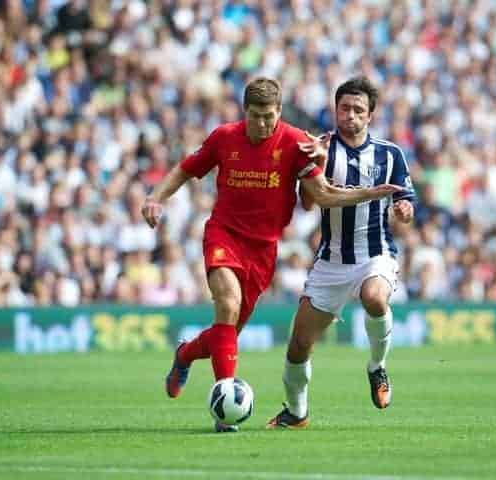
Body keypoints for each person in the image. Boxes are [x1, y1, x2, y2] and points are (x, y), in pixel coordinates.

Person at [141, 77, 406, 432]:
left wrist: (371, 193)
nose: (263, 123)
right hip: (224, 234)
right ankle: (225, 410)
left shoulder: (296, 142)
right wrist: (156, 196)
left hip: (263, 249)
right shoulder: (224, 137)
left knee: (228, 331)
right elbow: (187, 168)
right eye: (256, 116)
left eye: (270, 116)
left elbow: (322, 197)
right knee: (228, 305)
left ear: (279, 111)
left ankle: (186, 353)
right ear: (244, 112)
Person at [266, 76, 416, 429]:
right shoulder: (318, 148)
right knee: (299, 344)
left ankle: (377, 367)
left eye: (358, 110)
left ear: (370, 115)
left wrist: (405, 211)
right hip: (331, 260)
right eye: (345, 108)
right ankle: (296, 412)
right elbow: (306, 203)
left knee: (375, 298)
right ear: (335, 109)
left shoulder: (390, 153)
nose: (350, 115)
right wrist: (312, 170)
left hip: (375, 253)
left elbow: (405, 201)